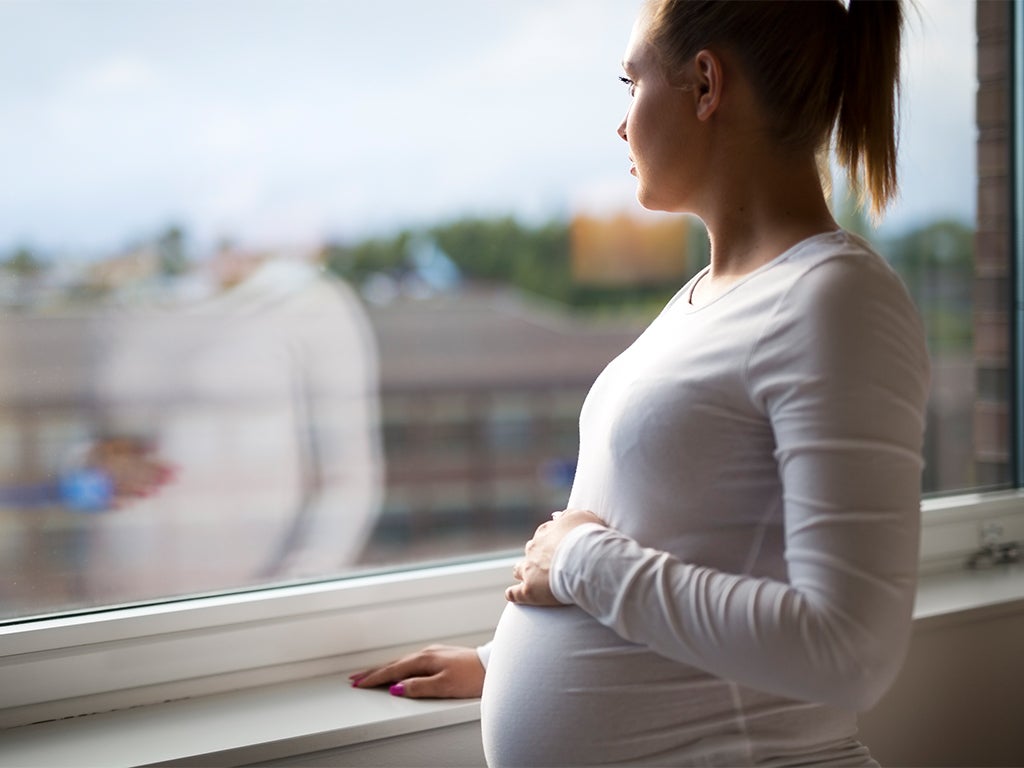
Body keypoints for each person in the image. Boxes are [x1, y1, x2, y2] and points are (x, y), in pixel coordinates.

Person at [352, 0, 929, 764]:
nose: (621, 123)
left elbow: (848, 650)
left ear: (704, 83)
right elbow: (693, 533)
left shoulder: (836, 301)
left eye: (631, 82)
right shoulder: (707, 296)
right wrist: (500, 663)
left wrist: (580, 564)